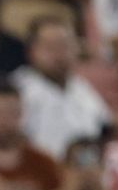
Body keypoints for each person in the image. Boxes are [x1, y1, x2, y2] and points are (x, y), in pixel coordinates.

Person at [13, 16, 111, 158]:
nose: (59, 55)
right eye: (50, 48)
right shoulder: (17, 89)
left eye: (65, 46)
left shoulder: (82, 87)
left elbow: (105, 128)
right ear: (31, 52)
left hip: (84, 170)